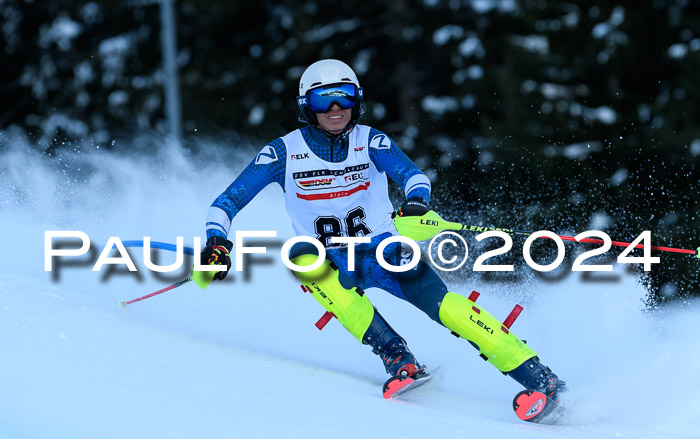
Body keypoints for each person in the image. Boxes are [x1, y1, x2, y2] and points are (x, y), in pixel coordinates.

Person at [199, 59, 567, 401]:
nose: (334, 108)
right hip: (329, 259)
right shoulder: (282, 153)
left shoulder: (370, 140)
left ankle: (537, 376)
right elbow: (226, 202)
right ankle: (398, 358)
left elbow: (413, 176)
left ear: (356, 100)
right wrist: (217, 243)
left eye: (343, 97)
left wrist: (417, 200)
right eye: (322, 99)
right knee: (304, 260)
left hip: (384, 250)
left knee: (449, 309)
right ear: (306, 104)